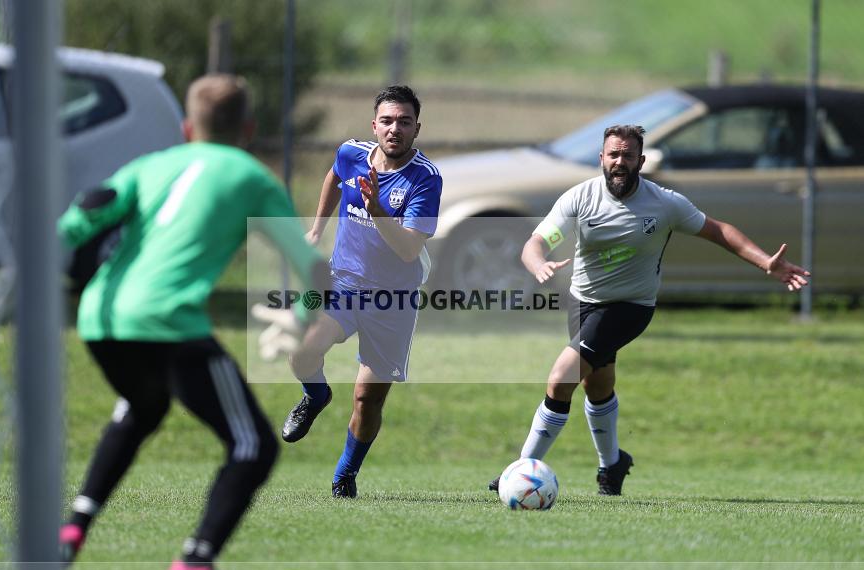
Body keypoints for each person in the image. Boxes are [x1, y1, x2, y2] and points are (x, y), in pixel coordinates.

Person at [56, 74, 329, 570]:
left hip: (102, 318)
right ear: (248, 128)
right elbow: (315, 272)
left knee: (142, 409)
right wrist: (297, 316)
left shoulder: (151, 166)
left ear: (187, 128)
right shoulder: (252, 178)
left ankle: (71, 531)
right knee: (253, 446)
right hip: (169, 322)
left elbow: (86, 212)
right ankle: (195, 562)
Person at [490, 124, 810, 496]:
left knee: (561, 378)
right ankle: (612, 466)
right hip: (582, 303)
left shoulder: (664, 204)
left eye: (628, 156)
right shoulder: (579, 199)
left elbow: (718, 230)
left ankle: (517, 471)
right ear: (601, 159)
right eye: (614, 155)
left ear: (641, 160)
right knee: (598, 385)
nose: (620, 162)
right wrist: (538, 262)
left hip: (630, 307)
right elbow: (537, 241)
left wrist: (764, 263)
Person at [280, 85, 442, 498]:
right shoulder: (353, 153)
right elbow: (335, 174)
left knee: (367, 400)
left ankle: (344, 476)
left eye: (404, 122)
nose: (395, 129)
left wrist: (378, 212)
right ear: (374, 125)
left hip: (393, 300)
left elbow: (408, 250)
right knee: (302, 352)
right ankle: (315, 396)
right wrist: (317, 226)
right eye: (387, 121)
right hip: (344, 282)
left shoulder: (425, 179)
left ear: (417, 128)